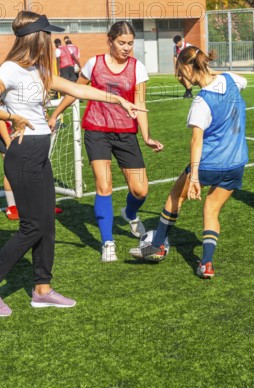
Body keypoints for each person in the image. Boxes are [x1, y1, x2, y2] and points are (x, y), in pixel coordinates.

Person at [0, 11, 145, 317]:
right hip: (23, 155)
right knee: (32, 226)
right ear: (37, 38)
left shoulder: (38, 69)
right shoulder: (9, 70)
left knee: (47, 225)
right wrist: (12, 117)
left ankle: (42, 289)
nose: (51, 40)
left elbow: (77, 89)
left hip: (39, 154)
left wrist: (117, 100)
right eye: (47, 35)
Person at [49, 21, 164, 263]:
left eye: (130, 43)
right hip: (97, 131)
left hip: (126, 134)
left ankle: (129, 213)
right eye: (121, 43)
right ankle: (107, 242)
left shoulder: (137, 68)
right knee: (104, 185)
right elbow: (73, 91)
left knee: (140, 189)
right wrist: (55, 114)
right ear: (110, 41)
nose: (126, 48)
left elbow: (140, 104)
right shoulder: (94, 64)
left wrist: (146, 136)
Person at [130, 46, 248, 279]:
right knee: (211, 209)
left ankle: (158, 245)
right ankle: (206, 264)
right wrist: (202, 70)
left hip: (209, 165)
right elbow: (236, 80)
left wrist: (194, 177)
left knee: (176, 195)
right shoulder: (233, 79)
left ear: (187, 67)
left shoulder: (201, 102)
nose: (180, 77)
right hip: (236, 164)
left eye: (180, 72)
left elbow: (196, 142)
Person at [0, 104, 63, 220]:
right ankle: (12, 206)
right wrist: (8, 143)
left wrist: (47, 121)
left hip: (28, 132)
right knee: (11, 169)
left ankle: (45, 204)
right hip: (6, 133)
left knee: (39, 165)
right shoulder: (7, 94)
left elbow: (41, 110)